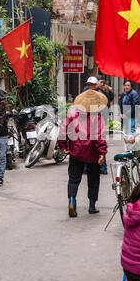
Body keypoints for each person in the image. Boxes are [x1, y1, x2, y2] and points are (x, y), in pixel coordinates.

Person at [58, 89, 108, 217]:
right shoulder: (97, 117)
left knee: (74, 179)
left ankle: (71, 201)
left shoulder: (72, 113)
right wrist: (102, 152)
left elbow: (63, 131)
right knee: (93, 180)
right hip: (93, 154)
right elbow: (99, 136)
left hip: (76, 152)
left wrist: (63, 146)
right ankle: (92, 206)